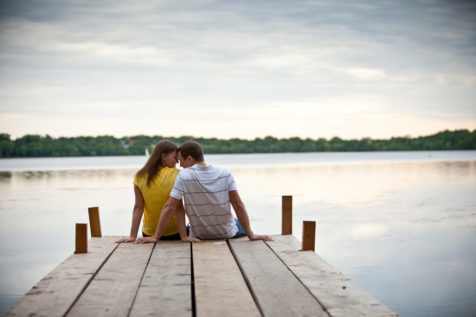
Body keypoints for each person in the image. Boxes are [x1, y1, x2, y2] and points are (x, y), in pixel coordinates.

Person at [135, 141, 272, 243]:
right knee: (235, 221)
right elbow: (238, 205)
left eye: (181, 161)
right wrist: (251, 235)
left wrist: (155, 237)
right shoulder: (225, 173)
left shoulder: (183, 176)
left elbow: (170, 207)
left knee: (193, 222)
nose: (180, 165)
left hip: (199, 234)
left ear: (190, 159)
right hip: (226, 232)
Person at [116, 140, 198, 244]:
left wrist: (132, 236)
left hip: (148, 234)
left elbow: (138, 207)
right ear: (163, 156)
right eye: (174, 158)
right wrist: (184, 236)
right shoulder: (177, 174)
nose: (177, 162)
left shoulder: (139, 176)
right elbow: (178, 208)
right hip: (175, 234)